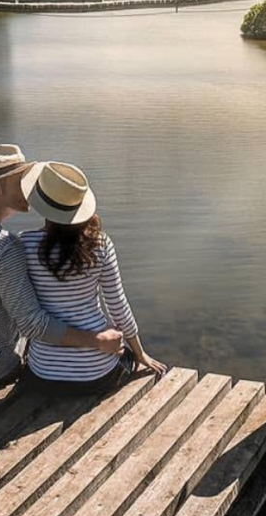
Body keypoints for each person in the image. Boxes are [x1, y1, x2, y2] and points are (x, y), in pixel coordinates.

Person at [0, 144, 124, 383]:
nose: (33, 186)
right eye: (22, 180)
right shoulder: (5, 247)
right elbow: (33, 325)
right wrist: (97, 340)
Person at [19, 160, 167, 393]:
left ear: (42, 205)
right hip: (97, 372)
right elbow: (117, 305)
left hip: (43, 373)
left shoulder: (22, 245)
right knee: (125, 356)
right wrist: (139, 353)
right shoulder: (100, 244)